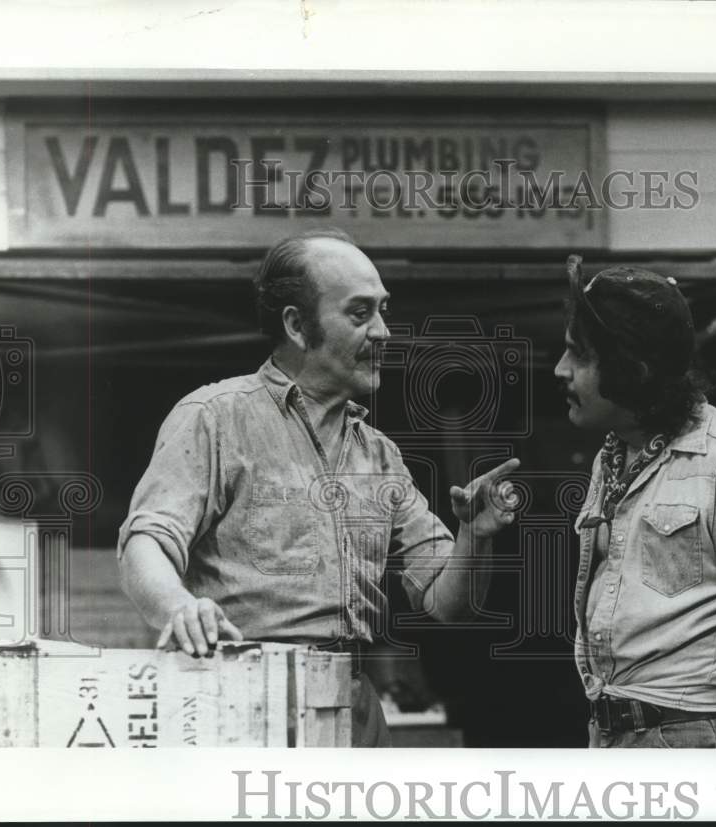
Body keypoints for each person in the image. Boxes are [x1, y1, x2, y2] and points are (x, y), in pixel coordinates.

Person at [117, 229, 518, 746]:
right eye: (359, 314)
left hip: (352, 710)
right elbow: (145, 542)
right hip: (242, 705)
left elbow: (448, 602)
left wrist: (474, 537)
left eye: (383, 310)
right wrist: (177, 606)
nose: (384, 332)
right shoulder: (214, 418)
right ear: (297, 326)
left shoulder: (380, 456)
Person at [553, 255, 716, 749]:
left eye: (579, 355)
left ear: (633, 370)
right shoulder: (611, 458)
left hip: (689, 740)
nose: (561, 370)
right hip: (614, 736)